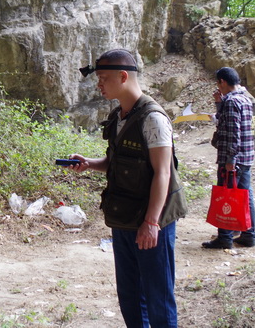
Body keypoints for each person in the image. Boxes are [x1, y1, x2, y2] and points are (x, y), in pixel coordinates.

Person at [68, 49, 187, 328]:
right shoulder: (120, 115)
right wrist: (90, 164)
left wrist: (151, 222)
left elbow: (163, 172)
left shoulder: (153, 118)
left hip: (150, 220)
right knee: (130, 296)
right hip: (124, 216)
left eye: (104, 78)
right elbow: (117, 162)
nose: (99, 84)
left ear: (123, 76)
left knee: (158, 296)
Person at [202, 67, 255, 249]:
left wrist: (230, 162)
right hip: (246, 156)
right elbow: (226, 120)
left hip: (233, 159)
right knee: (244, 195)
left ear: (223, 82)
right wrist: (219, 103)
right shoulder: (245, 99)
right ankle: (248, 235)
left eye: (219, 84)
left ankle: (225, 238)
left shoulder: (233, 102)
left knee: (226, 194)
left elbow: (233, 133)